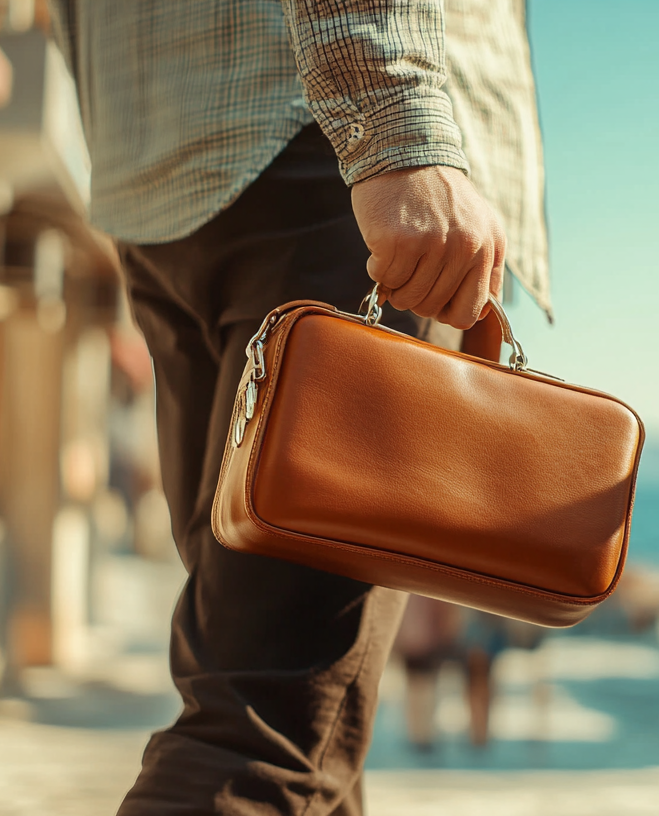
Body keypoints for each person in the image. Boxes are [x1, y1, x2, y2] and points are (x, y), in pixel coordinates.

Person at [46, 2, 548, 813]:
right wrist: (401, 131)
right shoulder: (362, 152)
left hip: (161, 174)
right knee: (266, 734)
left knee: (304, 729)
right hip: (325, 158)